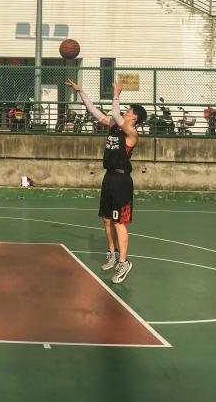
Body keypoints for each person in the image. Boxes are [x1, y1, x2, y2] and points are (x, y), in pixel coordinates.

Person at [66, 78, 147, 284]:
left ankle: (124, 262)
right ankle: (112, 253)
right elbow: (94, 111)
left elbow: (116, 115)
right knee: (106, 219)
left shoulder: (132, 133)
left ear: (135, 117)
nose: (125, 111)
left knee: (119, 223)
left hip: (121, 181)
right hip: (109, 177)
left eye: (129, 111)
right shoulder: (114, 126)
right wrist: (81, 92)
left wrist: (116, 95)